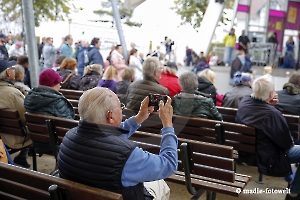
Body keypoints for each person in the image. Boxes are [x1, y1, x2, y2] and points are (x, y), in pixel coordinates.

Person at [57, 87, 177, 200]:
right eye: (121, 107)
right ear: (111, 116)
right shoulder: (127, 155)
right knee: (160, 183)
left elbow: (108, 138)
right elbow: (169, 164)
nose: (122, 110)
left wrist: (140, 117)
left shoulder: (69, 137)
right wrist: (167, 125)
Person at [236, 75, 300, 200]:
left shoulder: (244, 102)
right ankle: (295, 191)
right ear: (271, 93)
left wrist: (270, 104)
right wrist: (273, 109)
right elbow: (287, 144)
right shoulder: (272, 114)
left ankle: (290, 179)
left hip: (246, 153)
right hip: (266, 157)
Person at [24, 68, 74, 155]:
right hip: (55, 143)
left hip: (37, 140)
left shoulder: (30, 97)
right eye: (59, 82)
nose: (60, 85)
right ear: (54, 84)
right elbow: (68, 126)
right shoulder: (57, 102)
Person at [0, 60, 32, 168]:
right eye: (13, 69)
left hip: (2, 136)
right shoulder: (12, 93)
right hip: (16, 138)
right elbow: (26, 118)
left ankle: (22, 157)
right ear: (8, 73)